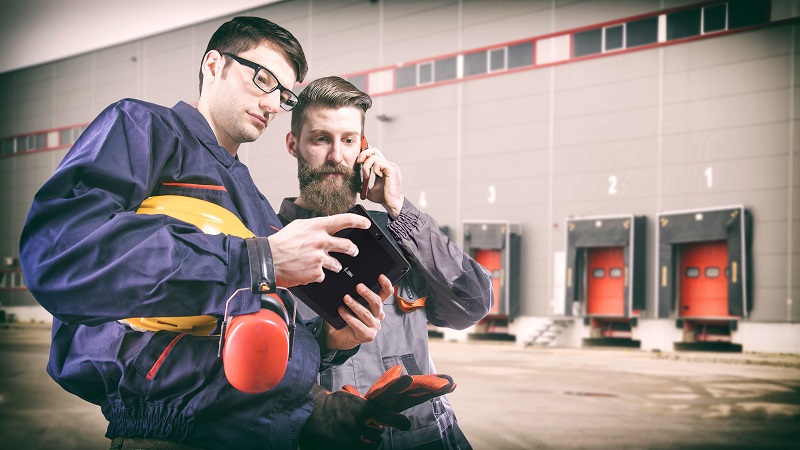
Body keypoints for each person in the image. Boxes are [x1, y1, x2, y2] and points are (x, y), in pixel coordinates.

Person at [19, 17, 406, 450]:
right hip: (172, 435)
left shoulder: (255, 206)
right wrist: (257, 260)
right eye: (263, 79)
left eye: (283, 94)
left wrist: (330, 356)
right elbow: (62, 252)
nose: (273, 102)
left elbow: (255, 336)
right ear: (213, 65)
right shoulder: (144, 129)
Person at [279, 76, 494, 450]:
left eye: (348, 140)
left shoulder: (402, 236)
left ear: (363, 148)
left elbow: (472, 305)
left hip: (429, 438)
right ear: (293, 144)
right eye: (320, 139)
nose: (335, 156)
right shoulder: (273, 247)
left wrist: (400, 211)